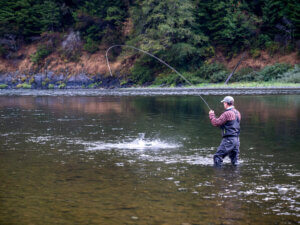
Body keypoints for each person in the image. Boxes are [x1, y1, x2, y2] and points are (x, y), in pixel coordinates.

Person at [208, 96, 241, 167]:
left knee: (217, 157)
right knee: (234, 160)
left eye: (223, 103)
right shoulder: (237, 113)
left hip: (228, 140)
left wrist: (211, 115)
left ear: (226, 103)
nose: (223, 104)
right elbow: (231, 124)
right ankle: (235, 176)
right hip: (236, 140)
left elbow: (216, 123)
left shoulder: (227, 113)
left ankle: (218, 176)